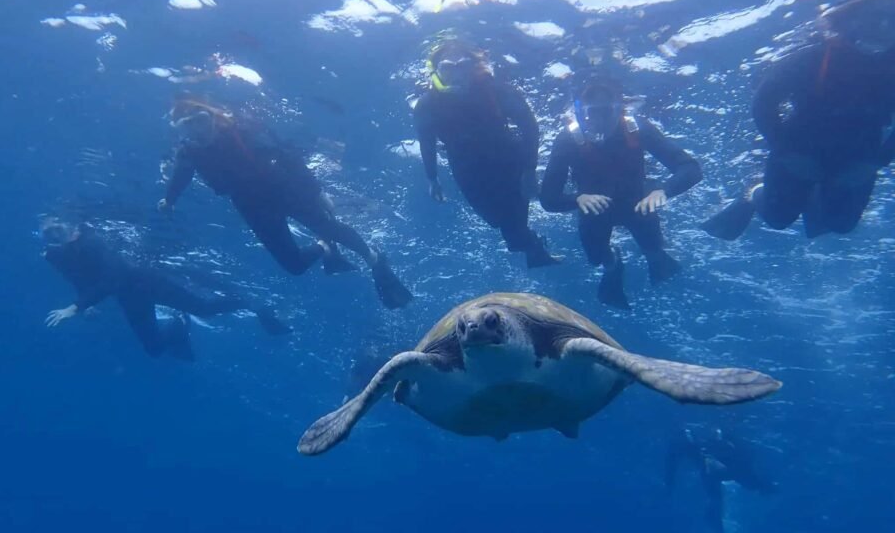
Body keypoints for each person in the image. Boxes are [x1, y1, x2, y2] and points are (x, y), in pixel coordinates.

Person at [158, 94, 413, 309]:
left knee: (328, 225)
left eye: (202, 121)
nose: (199, 130)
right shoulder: (189, 152)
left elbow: (288, 155)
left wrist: (317, 191)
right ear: (181, 131)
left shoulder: (242, 131)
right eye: (187, 126)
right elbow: (182, 176)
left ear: (214, 117)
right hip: (251, 206)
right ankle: (325, 248)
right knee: (293, 265)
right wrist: (169, 200)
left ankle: (375, 260)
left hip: (283, 187)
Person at [702, 0, 895, 240]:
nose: (882, 27)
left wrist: (875, 163)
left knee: (841, 225)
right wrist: (785, 151)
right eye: (875, 17)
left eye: (890, 20)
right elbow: (763, 101)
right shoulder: (814, 57)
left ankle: (814, 195)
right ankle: (753, 194)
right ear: (852, 20)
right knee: (778, 218)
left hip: (859, 154)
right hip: (800, 147)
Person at [539, 77, 703, 309]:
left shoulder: (637, 128)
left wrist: (664, 191)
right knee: (597, 258)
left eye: (607, 111)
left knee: (654, 249)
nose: (600, 119)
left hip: (637, 203)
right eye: (593, 112)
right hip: (595, 209)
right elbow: (548, 199)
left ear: (620, 109)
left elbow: (691, 168)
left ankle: (655, 261)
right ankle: (613, 263)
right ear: (581, 112)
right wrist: (578, 198)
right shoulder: (568, 139)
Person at [42, 220, 290, 362]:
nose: (57, 236)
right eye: (49, 233)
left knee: (204, 308)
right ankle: (178, 325)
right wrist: (88, 303)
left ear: (74, 228)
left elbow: (114, 277)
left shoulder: (92, 240)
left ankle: (254, 305)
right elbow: (79, 278)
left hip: (146, 281)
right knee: (154, 350)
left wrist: (76, 306)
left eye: (60, 229)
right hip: (129, 295)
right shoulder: (58, 255)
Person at [413, 38, 560, 268]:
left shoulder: (498, 91)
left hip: (508, 160)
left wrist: (530, 170)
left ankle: (534, 248)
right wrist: (432, 178)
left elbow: (530, 126)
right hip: (466, 168)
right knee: (495, 220)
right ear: (435, 71)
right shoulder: (427, 104)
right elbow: (426, 142)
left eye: (462, 65)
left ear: (474, 67)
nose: (456, 73)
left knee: (514, 227)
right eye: (447, 67)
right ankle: (532, 246)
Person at [665, 424, 777, 533]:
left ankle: (715, 520)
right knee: (717, 497)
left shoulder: (720, 448)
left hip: (725, 466)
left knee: (717, 497)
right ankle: (715, 520)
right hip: (721, 467)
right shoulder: (701, 449)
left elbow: (745, 462)